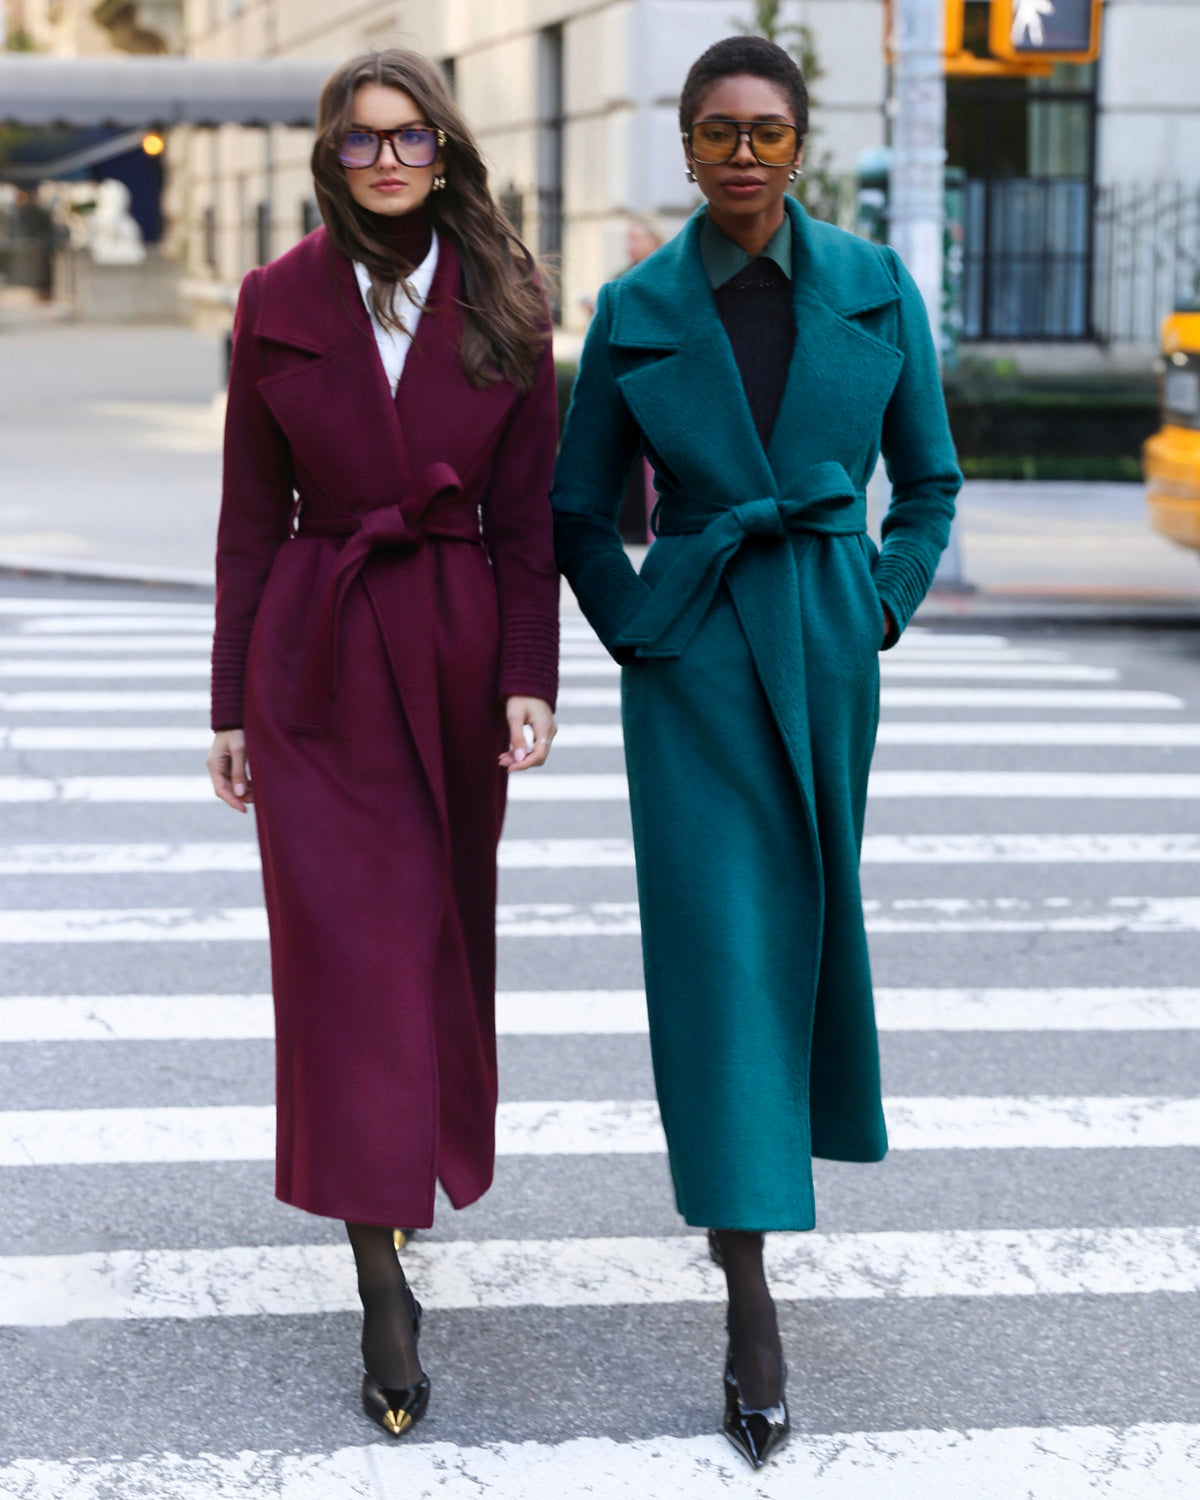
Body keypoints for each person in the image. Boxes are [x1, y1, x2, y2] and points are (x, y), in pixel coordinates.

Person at [551, 35, 960, 1469]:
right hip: (695, 670)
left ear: (801, 144)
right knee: (721, 963)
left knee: (806, 941)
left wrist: (880, 607)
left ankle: (765, 1230)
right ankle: (748, 1294)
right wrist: (640, 628)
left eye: (766, 132)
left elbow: (933, 481)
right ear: (684, 143)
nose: (742, 152)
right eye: (717, 130)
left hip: (828, 655)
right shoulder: (636, 309)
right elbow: (578, 511)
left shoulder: (872, 285)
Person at [206, 49, 559, 1439]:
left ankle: (405, 1174)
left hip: (459, 649)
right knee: (342, 958)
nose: (390, 160)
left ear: (446, 149)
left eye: (410, 137)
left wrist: (530, 677)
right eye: (362, 143)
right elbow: (247, 517)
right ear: (331, 159)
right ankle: (377, 1274)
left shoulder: (511, 303)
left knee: (428, 941)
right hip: (318, 656)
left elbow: (529, 523)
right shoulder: (277, 301)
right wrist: (226, 701)